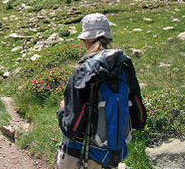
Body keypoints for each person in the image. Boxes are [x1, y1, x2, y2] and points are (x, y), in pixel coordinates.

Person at [56, 13, 146, 169]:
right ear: (108, 38)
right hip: (111, 156)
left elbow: (72, 129)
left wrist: (62, 111)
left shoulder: (83, 71)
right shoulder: (124, 69)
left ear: (85, 40)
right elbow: (140, 120)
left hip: (80, 156)